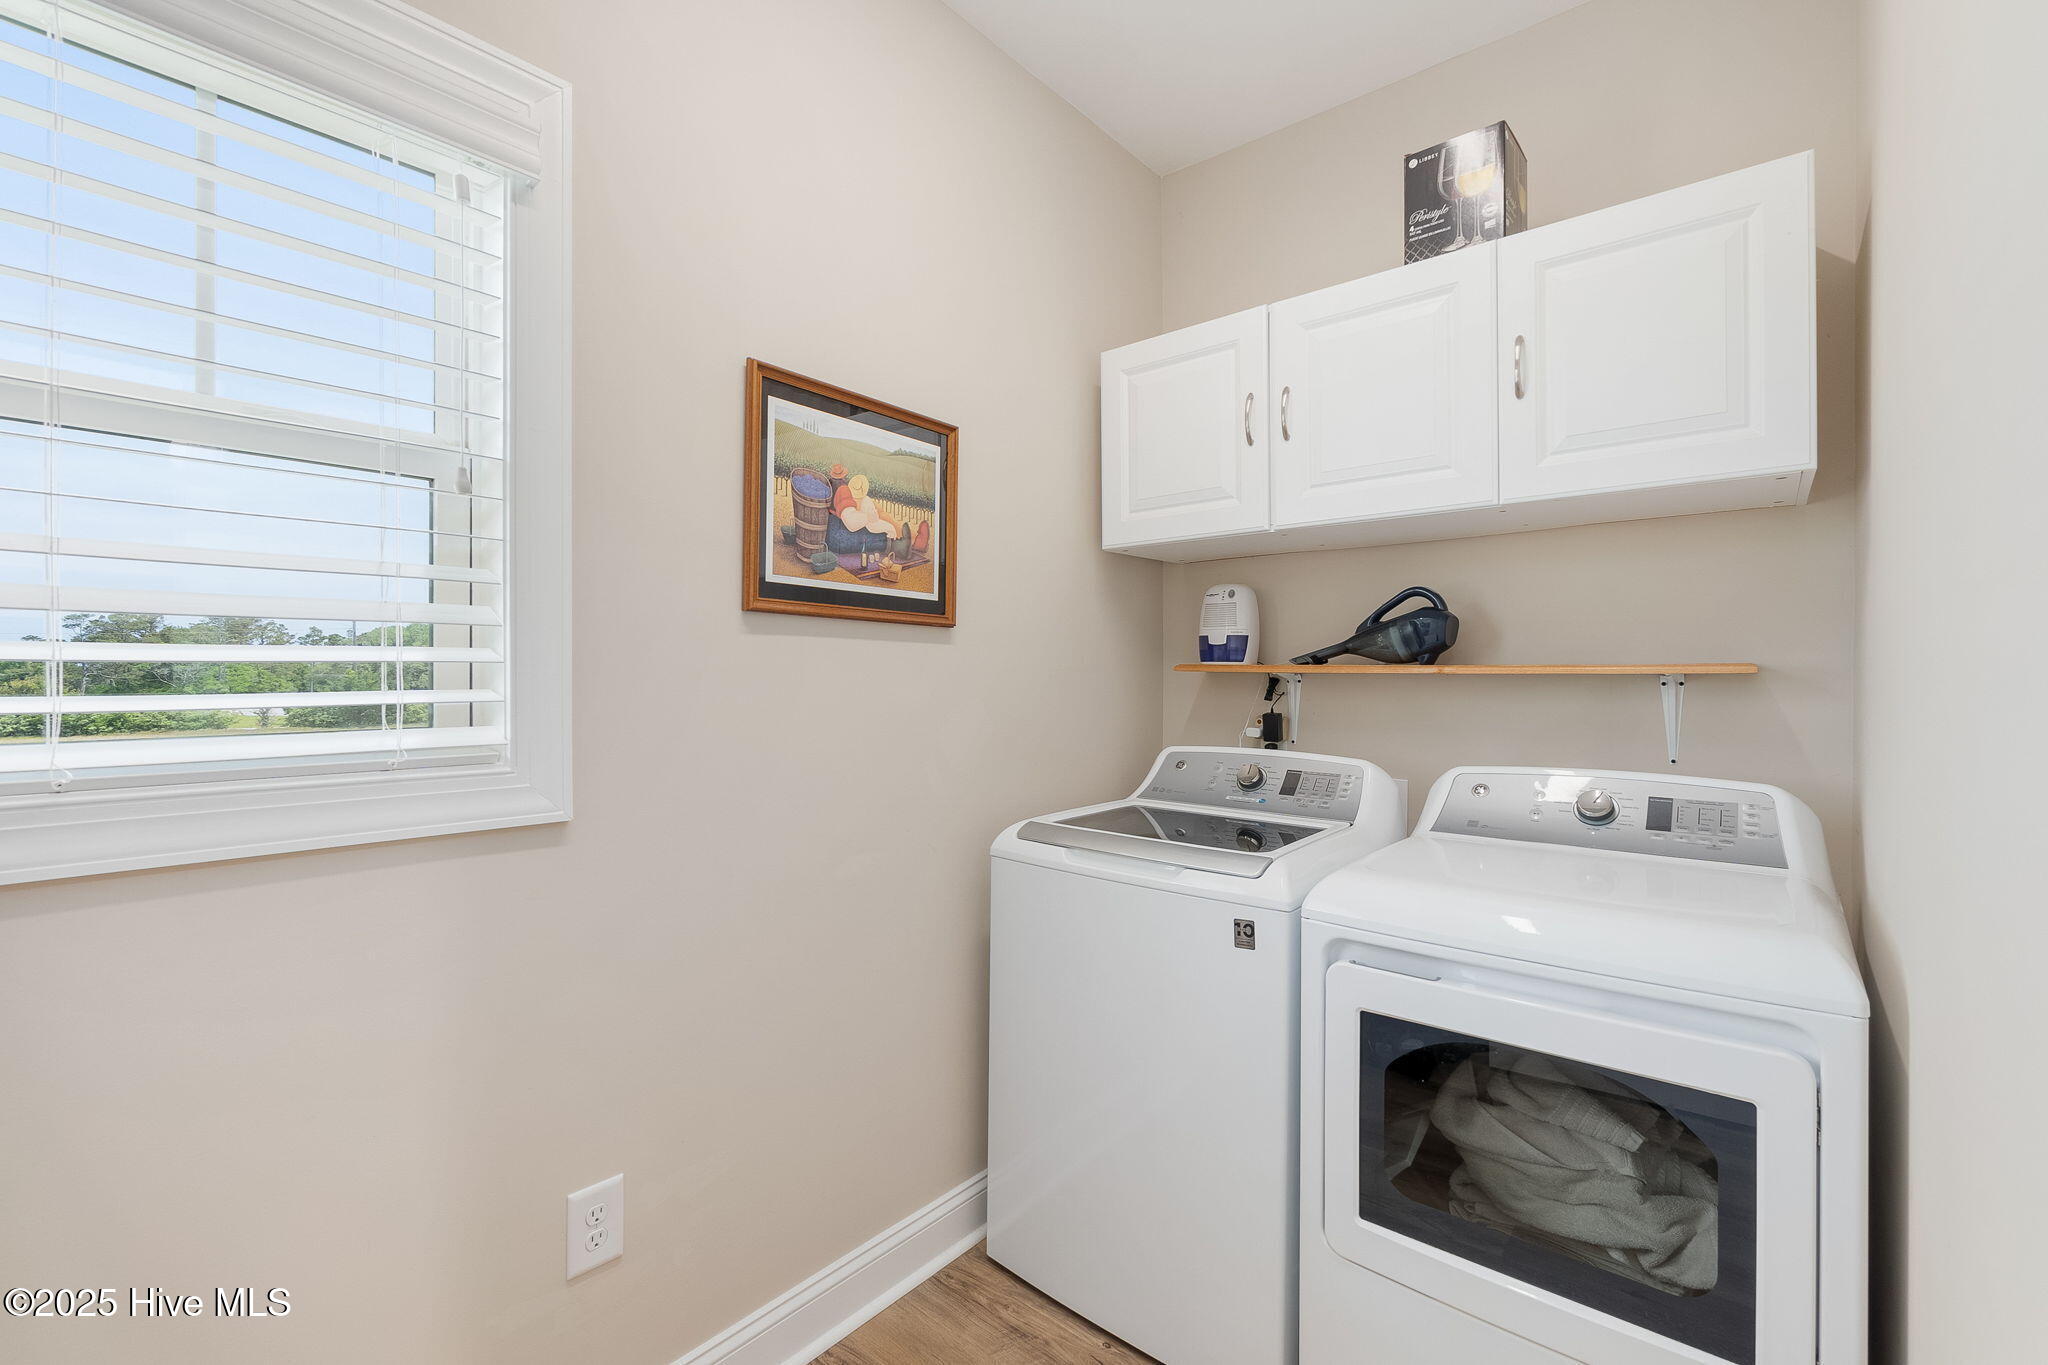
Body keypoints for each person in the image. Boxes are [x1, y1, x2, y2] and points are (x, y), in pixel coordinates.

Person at [826, 473, 898, 567]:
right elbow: (852, 524)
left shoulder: (865, 501)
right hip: (840, 539)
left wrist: (888, 527)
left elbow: (872, 524)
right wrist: (869, 518)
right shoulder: (843, 492)